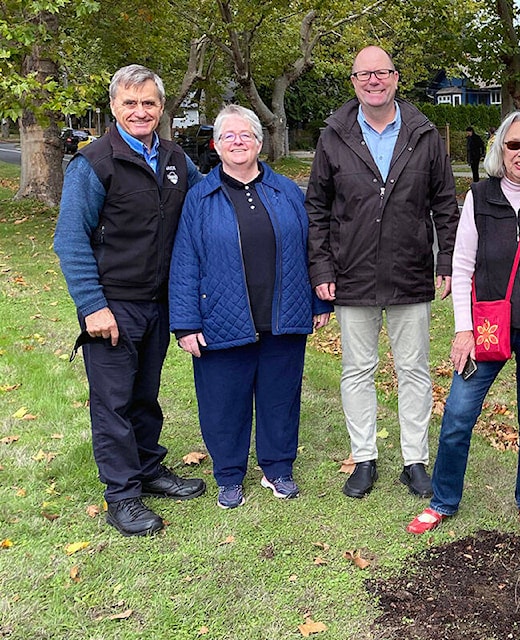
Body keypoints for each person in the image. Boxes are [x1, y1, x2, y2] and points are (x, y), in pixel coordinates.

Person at [406, 111, 520, 535]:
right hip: (488, 326)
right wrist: (463, 328)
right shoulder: (479, 197)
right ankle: (443, 499)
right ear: (500, 148)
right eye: (514, 144)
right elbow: (463, 265)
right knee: (459, 413)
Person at [54, 64, 206, 537]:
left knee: (144, 394)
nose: (140, 111)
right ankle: (122, 495)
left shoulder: (178, 160)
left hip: (159, 302)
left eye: (149, 103)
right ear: (115, 107)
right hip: (112, 304)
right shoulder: (94, 163)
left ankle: (148, 468)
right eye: (130, 103)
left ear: (162, 108)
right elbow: (69, 240)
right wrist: (93, 305)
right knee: (113, 402)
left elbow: (207, 203)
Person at [305, 46, 460, 500]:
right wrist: (320, 266)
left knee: (413, 369)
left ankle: (415, 461)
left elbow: (445, 205)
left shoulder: (423, 134)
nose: (374, 81)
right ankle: (365, 457)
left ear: (396, 78)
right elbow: (316, 208)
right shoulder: (334, 135)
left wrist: (446, 260)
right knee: (357, 370)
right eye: (364, 74)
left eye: (382, 72)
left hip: (410, 269)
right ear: (353, 82)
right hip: (350, 273)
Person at [168, 105, 333, 510]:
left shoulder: (287, 193)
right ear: (216, 145)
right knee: (224, 402)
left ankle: (278, 469)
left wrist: (316, 299)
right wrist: (186, 323)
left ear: (260, 142)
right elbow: (185, 261)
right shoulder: (199, 198)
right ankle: (228, 475)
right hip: (220, 319)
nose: (238, 142)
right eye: (229, 136)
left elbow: (310, 249)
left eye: (246, 135)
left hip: (283, 316)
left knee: (280, 397)